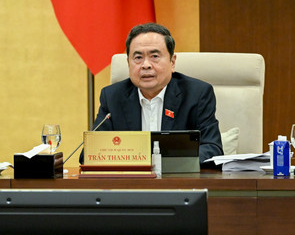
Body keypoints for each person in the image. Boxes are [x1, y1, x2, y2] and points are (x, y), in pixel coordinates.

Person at [90, 23, 223, 164]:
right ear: (128, 63)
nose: (146, 65)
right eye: (138, 57)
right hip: (130, 183)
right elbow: (90, 153)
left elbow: (212, 148)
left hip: (179, 181)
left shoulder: (197, 94)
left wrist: (164, 163)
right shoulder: (112, 97)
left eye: (154, 56)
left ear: (172, 62)